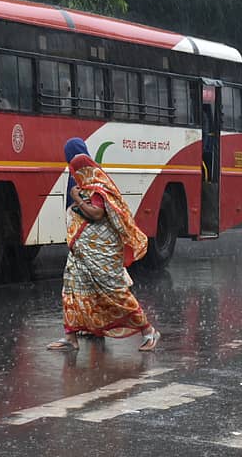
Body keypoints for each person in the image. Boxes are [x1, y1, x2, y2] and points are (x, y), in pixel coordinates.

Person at [47, 140, 160, 352]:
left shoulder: (98, 184)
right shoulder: (79, 181)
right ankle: (71, 338)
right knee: (72, 289)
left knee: (115, 292)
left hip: (101, 253)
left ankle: (148, 331)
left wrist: (78, 200)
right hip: (80, 251)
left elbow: (97, 214)